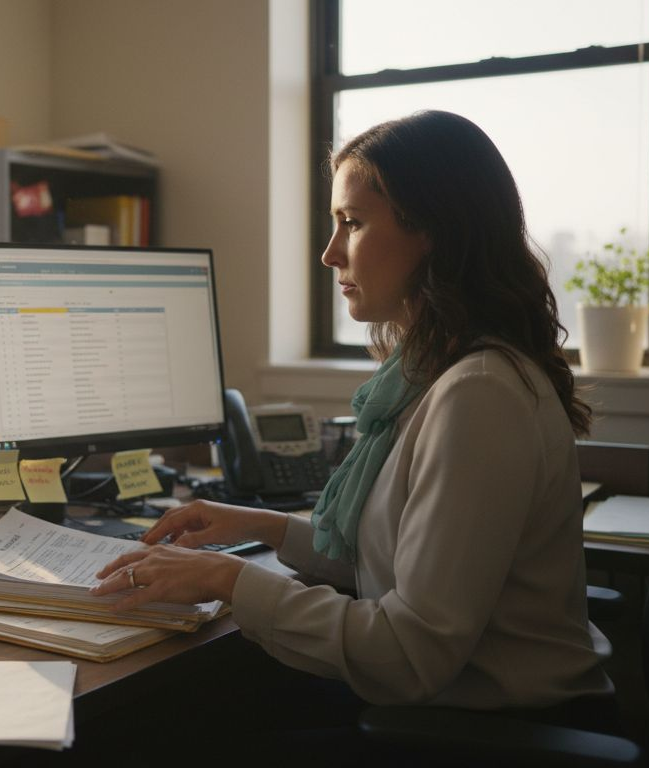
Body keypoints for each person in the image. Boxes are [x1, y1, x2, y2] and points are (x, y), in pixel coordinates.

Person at [91, 110, 612, 720]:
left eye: (353, 223)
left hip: (491, 729)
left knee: (179, 716)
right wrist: (266, 527)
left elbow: (406, 654)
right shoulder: (437, 374)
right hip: (459, 703)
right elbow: (394, 558)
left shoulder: (479, 396)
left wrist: (225, 580)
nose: (329, 253)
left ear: (436, 232)